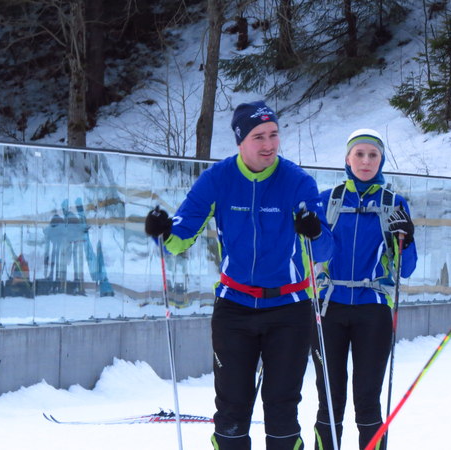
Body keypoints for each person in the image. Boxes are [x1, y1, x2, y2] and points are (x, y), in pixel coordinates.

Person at [144, 100, 333, 450]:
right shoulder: (218, 179)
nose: (269, 144)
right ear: (240, 141)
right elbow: (180, 238)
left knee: (282, 409)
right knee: (231, 411)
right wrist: (163, 230)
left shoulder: (297, 182)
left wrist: (315, 231)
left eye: (274, 134)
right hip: (235, 307)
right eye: (259, 136)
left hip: (289, 307)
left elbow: (325, 251)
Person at [312, 129, 417, 450]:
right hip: (330, 307)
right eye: (359, 154)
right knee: (329, 400)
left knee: (368, 400)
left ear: (381, 160)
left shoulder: (393, 204)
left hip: (373, 309)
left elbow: (406, 269)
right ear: (347, 158)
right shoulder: (327, 200)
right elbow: (309, 255)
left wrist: (407, 240)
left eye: (373, 155)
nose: (366, 161)